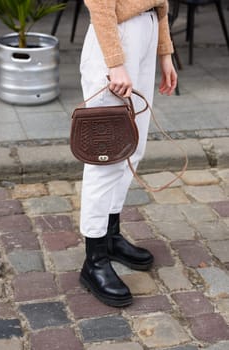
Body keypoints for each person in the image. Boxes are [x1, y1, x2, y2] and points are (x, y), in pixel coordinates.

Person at [79, 0, 177, 307]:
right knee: (105, 156)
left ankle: (110, 236)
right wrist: (114, 61)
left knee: (133, 149)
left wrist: (164, 52)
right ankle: (94, 260)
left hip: (145, 33)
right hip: (116, 39)